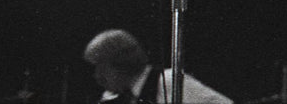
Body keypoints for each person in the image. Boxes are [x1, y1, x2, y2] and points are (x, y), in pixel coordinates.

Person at [84, 29, 233, 104]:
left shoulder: (168, 81)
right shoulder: (115, 97)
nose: (97, 77)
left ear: (122, 63)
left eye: (101, 68)